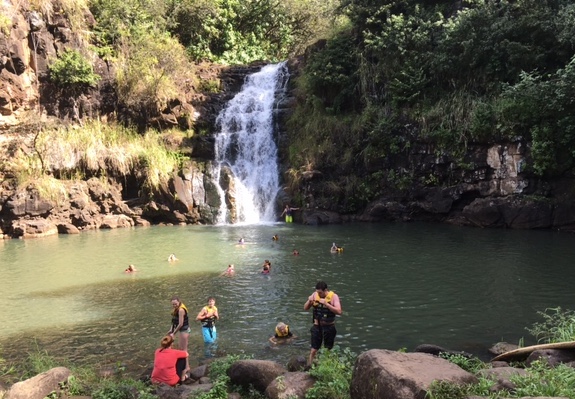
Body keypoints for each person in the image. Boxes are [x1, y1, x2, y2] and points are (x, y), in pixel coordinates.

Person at [303, 281, 343, 366]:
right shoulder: (315, 294)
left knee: (328, 349)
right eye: (317, 292)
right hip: (317, 326)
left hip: (329, 327)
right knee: (313, 349)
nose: (319, 294)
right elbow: (305, 308)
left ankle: (326, 367)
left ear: (325, 290)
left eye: (320, 292)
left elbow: (339, 311)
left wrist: (326, 304)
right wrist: (309, 301)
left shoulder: (334, 297)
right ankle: (309, 366)